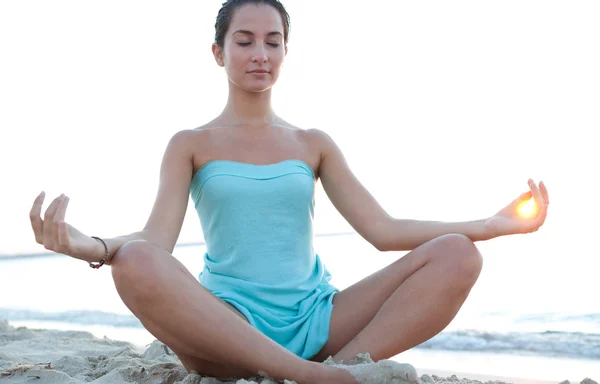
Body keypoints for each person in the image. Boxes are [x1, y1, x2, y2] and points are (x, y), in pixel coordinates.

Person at [28, 0, 550, 383]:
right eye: (245, 40)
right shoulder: (190, 144)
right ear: (218, 52)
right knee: (135, 261)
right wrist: (88, 247)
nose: (261, 53)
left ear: (285, 51)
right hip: (227, 327)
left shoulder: (312, 143)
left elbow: (383, 232)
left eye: (273, 41)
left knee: (458, 255)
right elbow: (155, 242)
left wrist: (492, 226)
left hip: (318, 321)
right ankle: (317, 379)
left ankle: (334, 370)